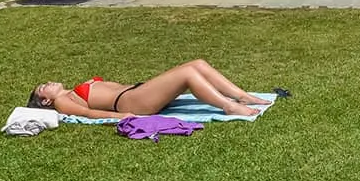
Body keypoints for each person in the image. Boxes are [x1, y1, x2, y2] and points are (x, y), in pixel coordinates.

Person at [26, 59, 270, 120]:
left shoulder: (69, 92)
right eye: (43, 88)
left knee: (197, 64)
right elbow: (89, 115)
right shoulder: (62, 102)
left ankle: (242, 95)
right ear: (46, 101)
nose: (47, 83)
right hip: (132, 103)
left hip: (136, 93)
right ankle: (229, 107)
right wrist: (122, 117)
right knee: (188, 74)